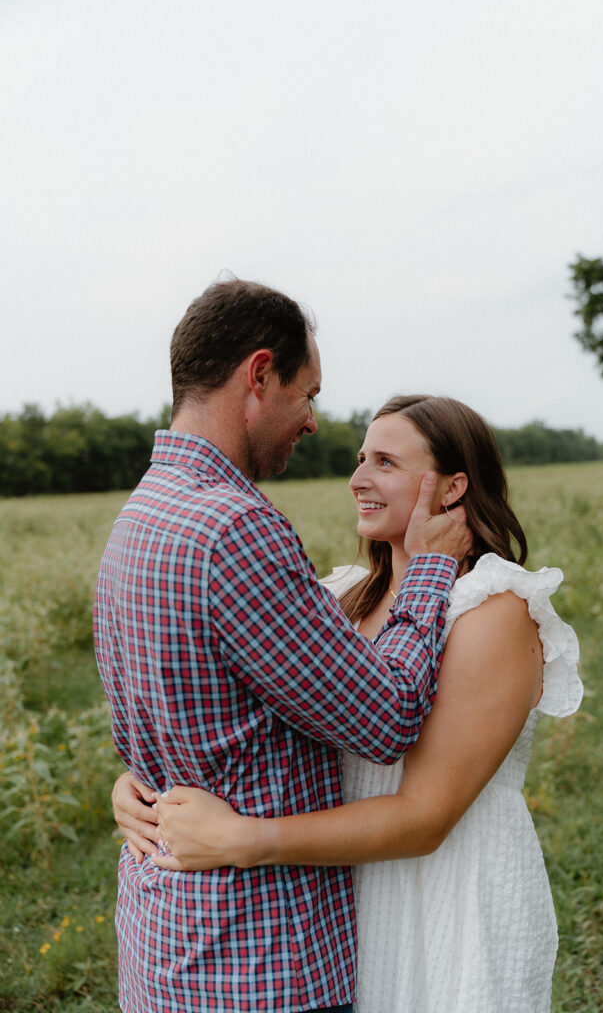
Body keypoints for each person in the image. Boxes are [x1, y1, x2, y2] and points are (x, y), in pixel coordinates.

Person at [115, 393, 582, 1013]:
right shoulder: (339, 598)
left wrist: (246, 839)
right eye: (361, 458)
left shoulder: (492, 610)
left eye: (385, 462)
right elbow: (250, 722)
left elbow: (425, 818)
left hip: (447, 900)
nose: (358, 478)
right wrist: (143, 788)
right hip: (344, 902)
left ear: (452, 487)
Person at [94, 279, 472, 1013]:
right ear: (259, 375)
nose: (312, 422)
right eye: (309, 393)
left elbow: (168, 726)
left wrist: (131, 785)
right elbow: (388, 720)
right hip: (256, 958)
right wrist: (428, 570)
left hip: (164, 938)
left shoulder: (141, 512)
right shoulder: (233, 527)